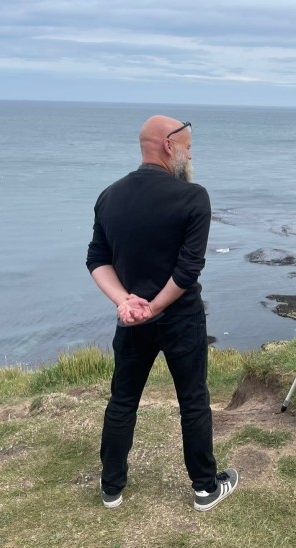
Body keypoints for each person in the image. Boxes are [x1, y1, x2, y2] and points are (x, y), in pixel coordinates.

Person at [86, 114, 238, 510]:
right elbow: (188, 270)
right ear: (169, 147)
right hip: (180, 316)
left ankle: (111, 487)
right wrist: (151, 306)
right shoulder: (193, 196)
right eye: (188, 147)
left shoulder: (109, 195)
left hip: (132, 320)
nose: (190, 155)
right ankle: (205, 489)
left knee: (123, 400)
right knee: (192, 400)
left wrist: (126, 302)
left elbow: (97, 259)